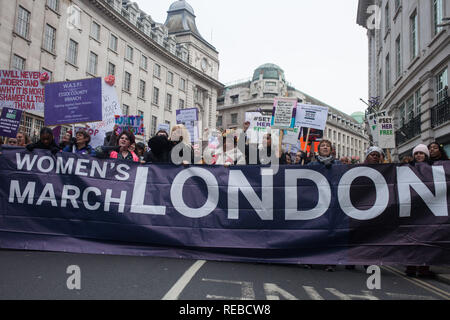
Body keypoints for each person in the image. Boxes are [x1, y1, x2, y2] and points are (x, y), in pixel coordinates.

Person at [307, 139, 341, 272]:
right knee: (314, 230)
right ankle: (310, 258)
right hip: (316, 202)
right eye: (322, 146)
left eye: (327, 145)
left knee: (330, 232)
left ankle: (329, 260)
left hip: (332, 202)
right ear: (319, 149)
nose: (325, 147)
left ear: (331, 149)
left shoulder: (338, 164)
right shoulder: (312, 164)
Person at [405, 144, 435, 278]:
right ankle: (411, 267)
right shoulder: (408, 168)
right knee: (411, 240)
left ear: (426, 155)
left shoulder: (434, 168)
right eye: (416, 153)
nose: (418, 156)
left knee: (426, 241)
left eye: (421, 153)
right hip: (412, 209)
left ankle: (423, 268)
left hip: (428, 210)